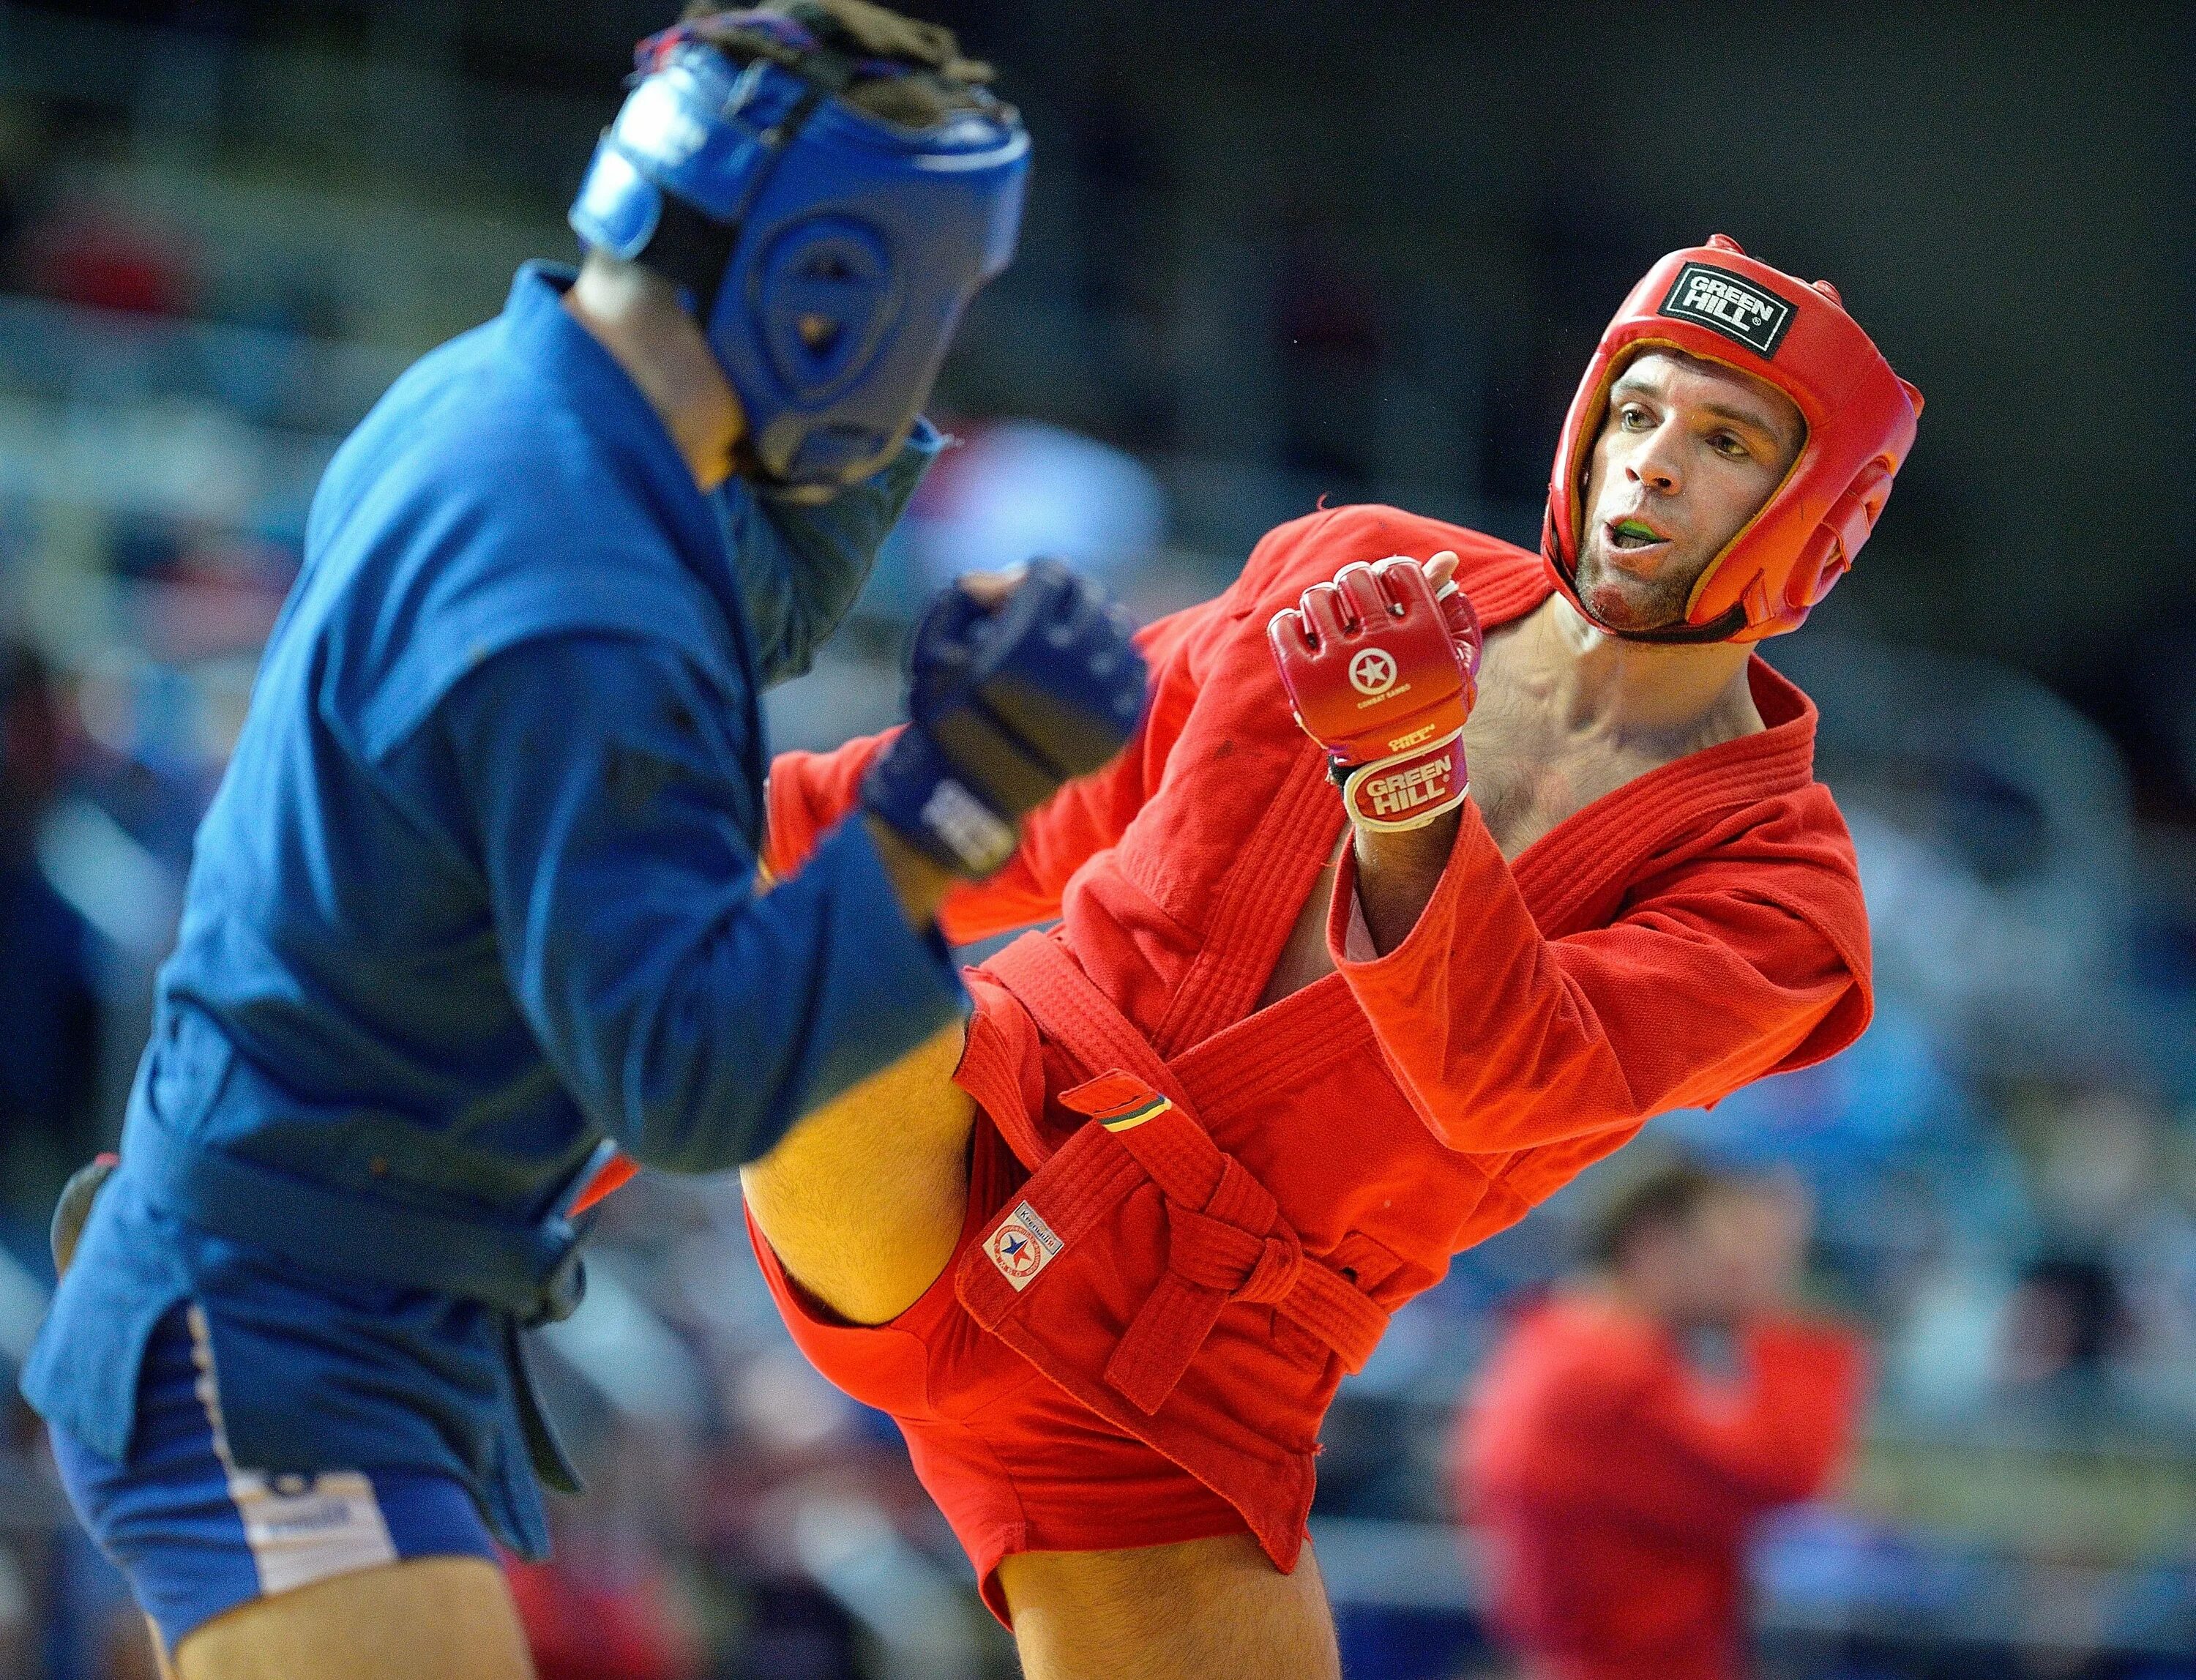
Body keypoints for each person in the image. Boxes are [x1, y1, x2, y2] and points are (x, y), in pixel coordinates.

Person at [20, 7, 1148, 1679]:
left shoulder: (489, 401)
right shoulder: (579, 598)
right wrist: (955, 797)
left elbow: (696, 620)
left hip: (288, 1293)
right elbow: (683, 1078)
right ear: (833, 287)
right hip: (274, 1334)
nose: (939, 360)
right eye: (942, 309)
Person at [742, 234, 1922, 1679]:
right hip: (960, 1142)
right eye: (1639, 410)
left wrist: (1411, 792)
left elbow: (1516, 1080)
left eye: (1726, 439)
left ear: (1825, 519)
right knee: (812, 942)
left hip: (1182, 1398)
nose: (1656, 463)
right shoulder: (1361, 570)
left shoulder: (1782, 892)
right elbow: (1028, 798)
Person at [1460, 1161, 1869, 1680]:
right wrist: (1778, 1309)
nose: (1739, 1269)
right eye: (1729, 1249)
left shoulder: (1565, 1343)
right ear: (1655, 1242)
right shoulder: (1605, 1376)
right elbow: (1787, 1467)